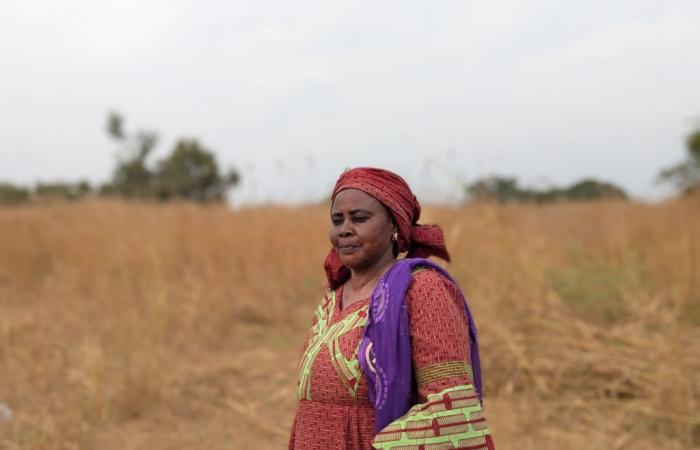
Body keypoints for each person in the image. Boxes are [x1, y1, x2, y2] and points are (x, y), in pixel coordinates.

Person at [288, 167, 495, 450]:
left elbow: (451, 409)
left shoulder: (421, 289)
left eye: (359, 218)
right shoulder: (333, 295)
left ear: (394, 225)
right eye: (337, 220)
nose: (345, 229)